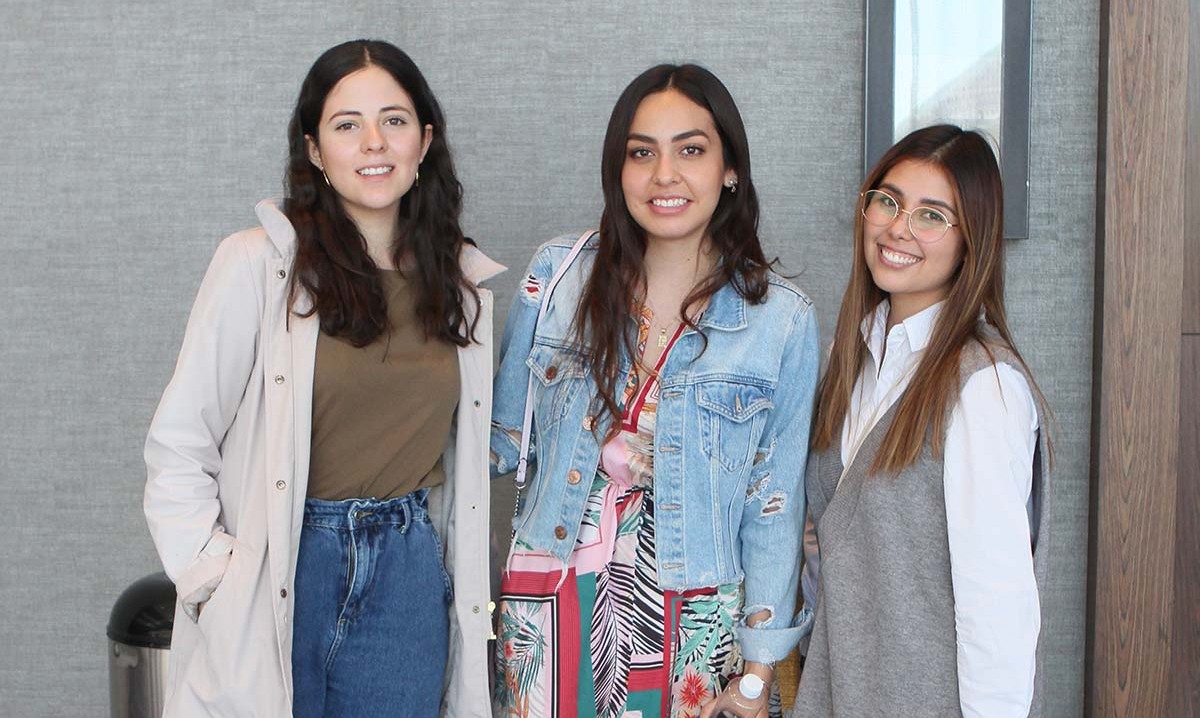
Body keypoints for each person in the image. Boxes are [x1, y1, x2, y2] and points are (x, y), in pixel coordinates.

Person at [143, 39, 502, 717]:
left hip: (405, 576)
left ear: (424, 141)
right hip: (286, 562)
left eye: (394, 121)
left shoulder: (466, 287)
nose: (374, 142)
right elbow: (179, 442)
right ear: (314, 151)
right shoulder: (258, 266)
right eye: (347, 125)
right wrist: (214, 579)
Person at [489, 64, 820, 718]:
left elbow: (774, 505)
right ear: (620, 168)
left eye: (691, 150)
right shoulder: (558, 276)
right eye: (642, 152)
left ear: (730, 169)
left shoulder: (780, 319)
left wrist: (758, 670)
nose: (664, 174)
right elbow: (494, 443)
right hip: (550, 602)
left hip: (696, 623)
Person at [793, 125, 1052, 717]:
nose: (898, 228)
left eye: (932, 215)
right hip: (838, 692)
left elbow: (997, 604)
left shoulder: (983, 384)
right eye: (887, 201)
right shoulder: (849, 358)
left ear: (972, 240)